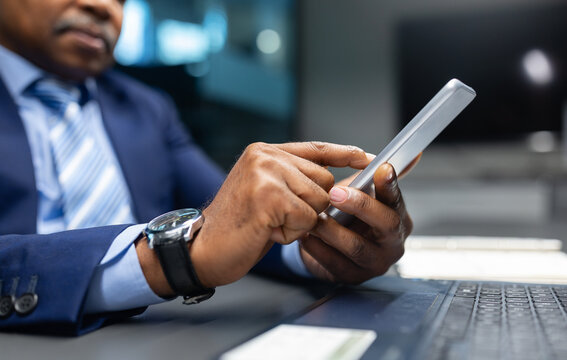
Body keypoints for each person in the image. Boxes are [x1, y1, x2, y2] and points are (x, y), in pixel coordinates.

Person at [0, 0, 413, 335]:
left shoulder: (147, 108)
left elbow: (230, 217)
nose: (103, 7)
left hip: (152, 336)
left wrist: (324, 245)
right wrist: (169, 260)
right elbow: (198, 242)